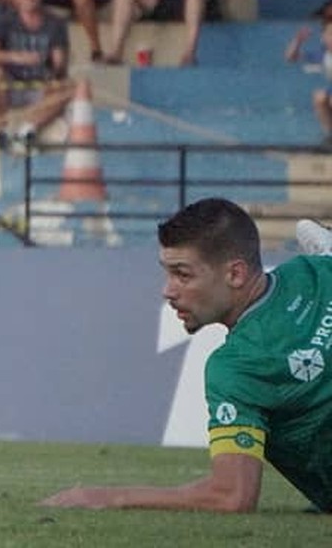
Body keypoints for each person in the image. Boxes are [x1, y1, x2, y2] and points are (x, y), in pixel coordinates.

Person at [44, 202, 332, 513]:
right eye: (167, 273)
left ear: (235, 273)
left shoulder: (235, 369)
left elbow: (231, 496)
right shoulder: (314, 270)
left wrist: (111, 496)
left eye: (182, 275)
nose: (168, 291)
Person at [0, 0, 73, 153]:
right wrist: (17, 57)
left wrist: (55, 67)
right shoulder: (5, 20)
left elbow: (59, 66)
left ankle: (26, 131)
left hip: (41, 86)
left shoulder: (55, 22)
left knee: (72, 87)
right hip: (11, 86)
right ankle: (3, 131)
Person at [286, 0, 332, 147]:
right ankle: (330, 135)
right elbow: (290, 58)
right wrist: (298, 41)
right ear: (323, 38)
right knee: (319, 97)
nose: (330, 38)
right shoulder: (322, 54)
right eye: (328, 34)